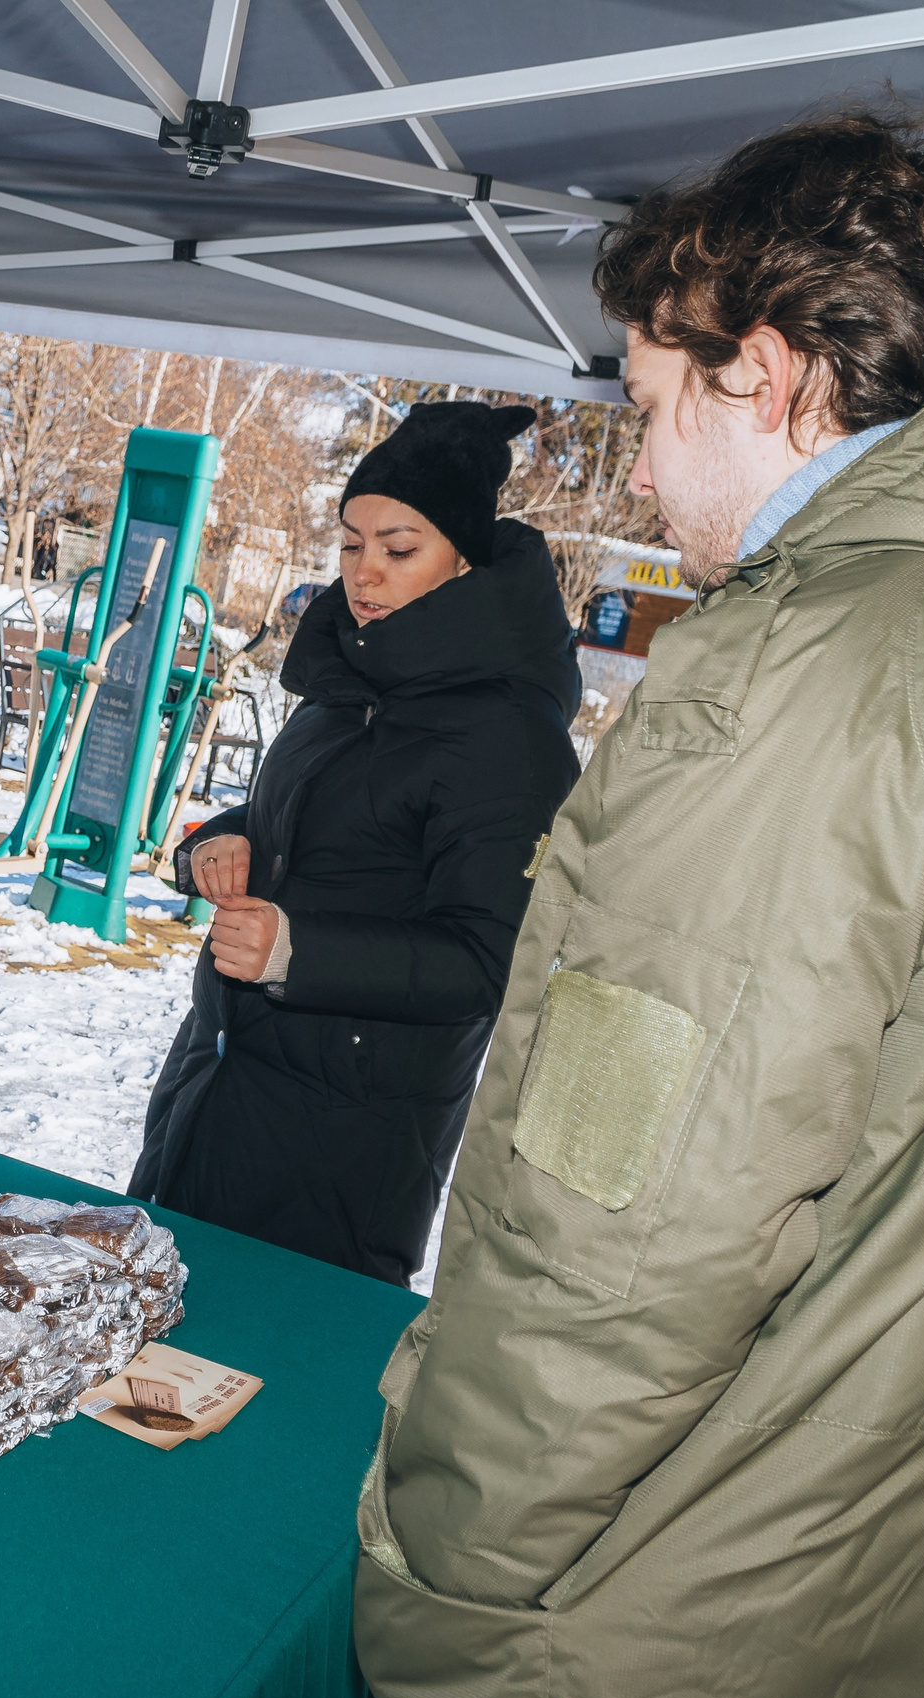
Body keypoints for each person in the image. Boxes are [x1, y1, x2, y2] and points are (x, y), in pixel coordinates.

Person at [353, 111, 924, 1698]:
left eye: (654, 402)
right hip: (920, 1585)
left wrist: (449, 1562)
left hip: (683, 1609)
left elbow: (620, 1227)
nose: (648, 460)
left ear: (768, 370)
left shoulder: (808, 664)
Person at [132, 402, 580, 1285]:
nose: (364, 572)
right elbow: (298, 825)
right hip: (217, 1090)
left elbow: (492, 957)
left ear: (463, 554)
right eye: (351, 543)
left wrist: (298, 950)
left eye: (398, 547)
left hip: (345, 1149)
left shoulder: (510, 731)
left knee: (267, 1391)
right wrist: (221, 845)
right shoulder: (349, 672)